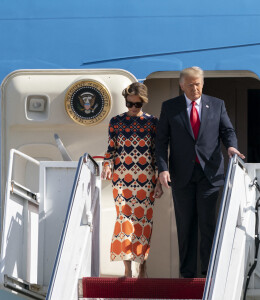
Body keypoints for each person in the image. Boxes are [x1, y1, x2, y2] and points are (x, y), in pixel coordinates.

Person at [156, 66, 245, 278]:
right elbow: (161, 141)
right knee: (185, 225)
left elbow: (227, 131)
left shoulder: (216, 104)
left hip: (210, 175)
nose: (195, 88)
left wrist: (231, 146)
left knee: (208, 225)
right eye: (190, 84)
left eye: (198, 84)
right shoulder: (170, 107)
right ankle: (186, 274)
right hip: (182, 175)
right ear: (181, 85)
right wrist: (163, 168)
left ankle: (208, 274)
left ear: (202, 83)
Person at [101, 82, 163, 278]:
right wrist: (106, 164)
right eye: (129, 104)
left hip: (146, 180)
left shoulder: (153, 122)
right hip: (122, 180)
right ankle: (127, 269)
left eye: (137, 105)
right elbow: (111, 149)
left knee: (143, 223)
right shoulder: (116, 122)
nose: (133, 108)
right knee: (124, 221)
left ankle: (142, 264)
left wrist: (159, 182)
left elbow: (157, 153)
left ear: (143, 102)